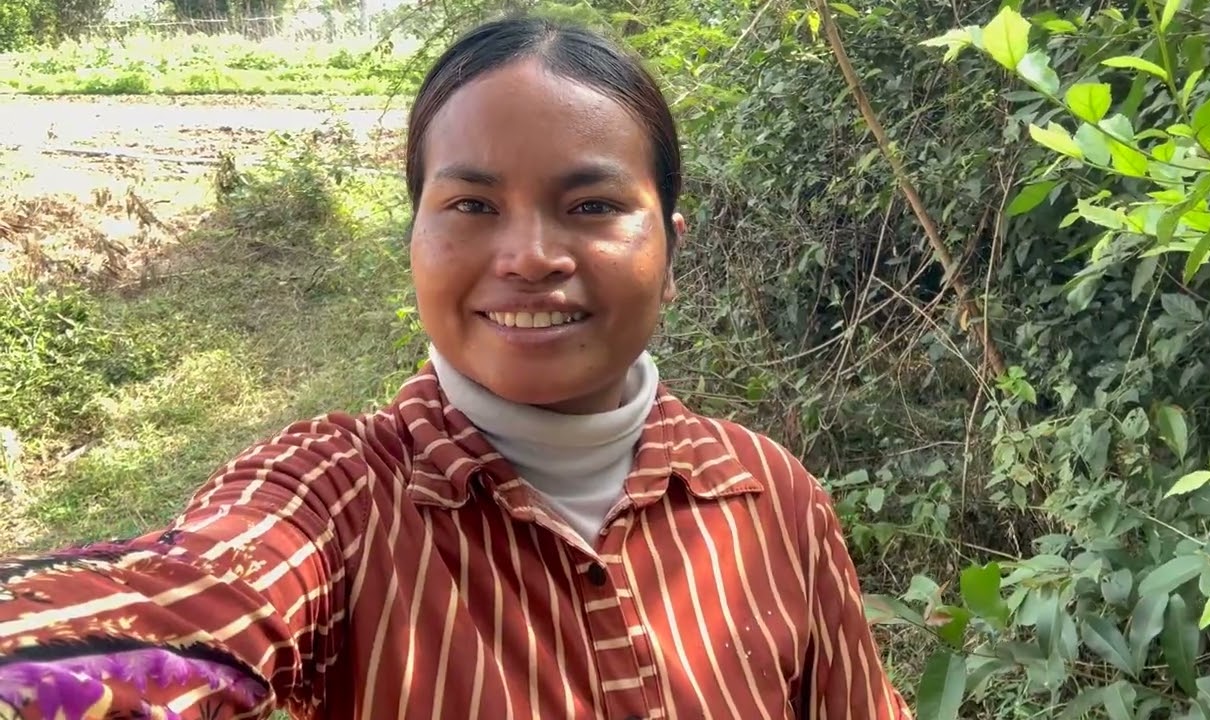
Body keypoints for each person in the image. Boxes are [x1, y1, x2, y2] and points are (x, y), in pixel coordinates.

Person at [0, 16, 910, 720]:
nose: (529, 255)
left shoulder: (770, 497)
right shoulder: (340, 500)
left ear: (668, 252)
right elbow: (187, 597)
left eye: (591, 204)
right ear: (415, 244)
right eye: (473, 203)